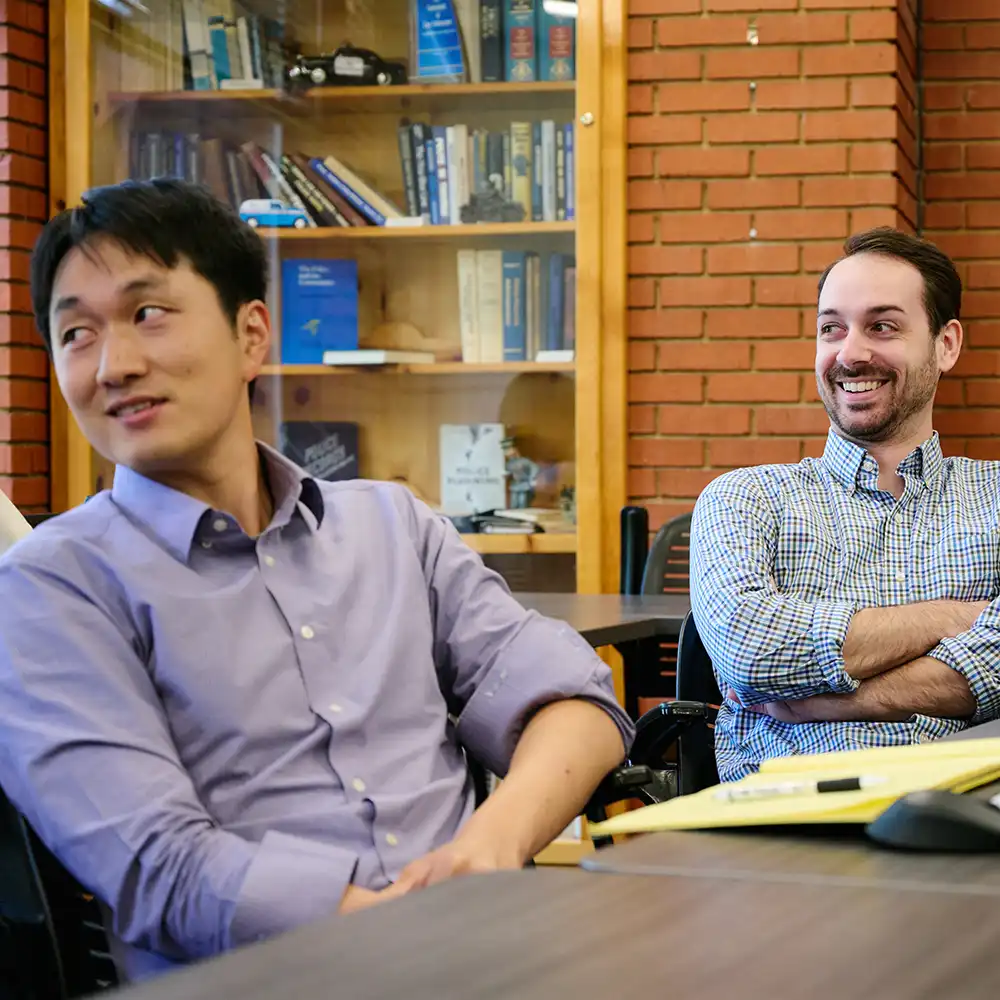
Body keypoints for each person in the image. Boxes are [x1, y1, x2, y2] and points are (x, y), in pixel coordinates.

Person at [0, 178, 634, 979]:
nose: (115, 365)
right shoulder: (51, 587)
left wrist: (488, 847)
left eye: (147, 313)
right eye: (75, 334)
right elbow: (159, 868)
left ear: (252, 334)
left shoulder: (391, 525)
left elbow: (577, 699)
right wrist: (421, 941)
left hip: (482, 955)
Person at [690, 227, 1000, 782]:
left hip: (965, 825)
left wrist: (821, 699)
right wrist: (950, 618)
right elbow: (751, 651)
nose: (851, 353)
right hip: (778, 826)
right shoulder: (744, 499)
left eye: (882, 326)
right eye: (832, 328)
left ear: (946, 344)